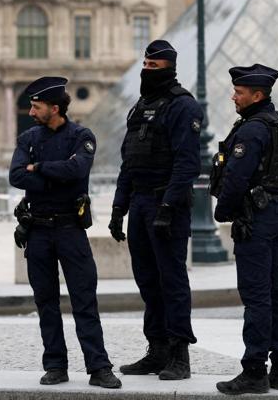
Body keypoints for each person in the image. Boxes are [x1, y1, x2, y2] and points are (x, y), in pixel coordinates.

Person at [9, 76, 121, 389]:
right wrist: (54, 173)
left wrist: (39, 168)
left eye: (36, 106)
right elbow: (16, 175)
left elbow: (78, 171)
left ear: (54, 108)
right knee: (45, 302)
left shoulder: (81, 135)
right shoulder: (29, 138)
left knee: (85, 301)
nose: (31, 112)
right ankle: (55, 365)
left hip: (71, 228)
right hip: (39, 230)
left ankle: (99, 367)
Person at [109, 40, 202, 380]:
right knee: (147, 281)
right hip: (140, 203)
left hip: (167, 205)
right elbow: (128, 162)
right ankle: (157, 348)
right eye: (144, 66)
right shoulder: (139, 107)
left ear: (169, 69)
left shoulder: (183, 106)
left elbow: (187, 164)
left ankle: (179, 354)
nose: (146, 72)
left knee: (172, 280)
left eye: (153, 68)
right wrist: (119, 208)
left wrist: (167, 206)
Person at [211, 64, 278, 395]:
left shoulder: (251, 130)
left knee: (257, 296)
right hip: (276, 210)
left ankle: (254, 372)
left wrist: (226, 211)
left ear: (257, 95)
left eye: (240, 92)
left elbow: (235, 178)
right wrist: (275, 202)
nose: (234, 96)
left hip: (255, 218)